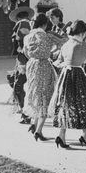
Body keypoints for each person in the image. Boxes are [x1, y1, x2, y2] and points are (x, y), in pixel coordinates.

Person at [50, 20, 86, 149]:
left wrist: (67, 65)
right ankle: (85, 137)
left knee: (66, 106)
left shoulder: (66, 44)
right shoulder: (82, 45)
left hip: (65, 76)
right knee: (84, 105)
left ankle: (61, 136)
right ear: (82, 33)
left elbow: (58, 62)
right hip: (77, 75)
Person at [23, 13, 66, 141]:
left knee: (35, 93)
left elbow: (26, 52)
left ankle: (34, 124)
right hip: (43, 65)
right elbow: (63, 42)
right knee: (45, 95)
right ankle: (39, 130)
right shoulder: (47, 36)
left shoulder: (28, 36)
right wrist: (50, 51)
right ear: (45, 25)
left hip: (31, 65)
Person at [8, 6, 35, 124]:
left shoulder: (22, 24)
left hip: (24, 60)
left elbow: (22, 42)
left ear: (19, 17)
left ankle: (25, 112)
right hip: (29, 59)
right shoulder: (29, 24)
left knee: (19, 84)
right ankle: (26, 111)